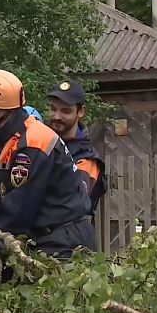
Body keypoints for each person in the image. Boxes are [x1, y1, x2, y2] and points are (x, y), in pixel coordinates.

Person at [0, 69, 97, 285]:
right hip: (49, 239)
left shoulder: (31, 145)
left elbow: (16, 211)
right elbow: (2, 192)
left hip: (64, 247)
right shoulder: (17, 138)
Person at [47, 79, 106, 215]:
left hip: (67, 234)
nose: (56, 116)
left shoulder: (87, 160)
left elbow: (72, 205)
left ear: (80, 112)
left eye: (65, 111)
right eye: (53, 109)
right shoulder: (41, 143)